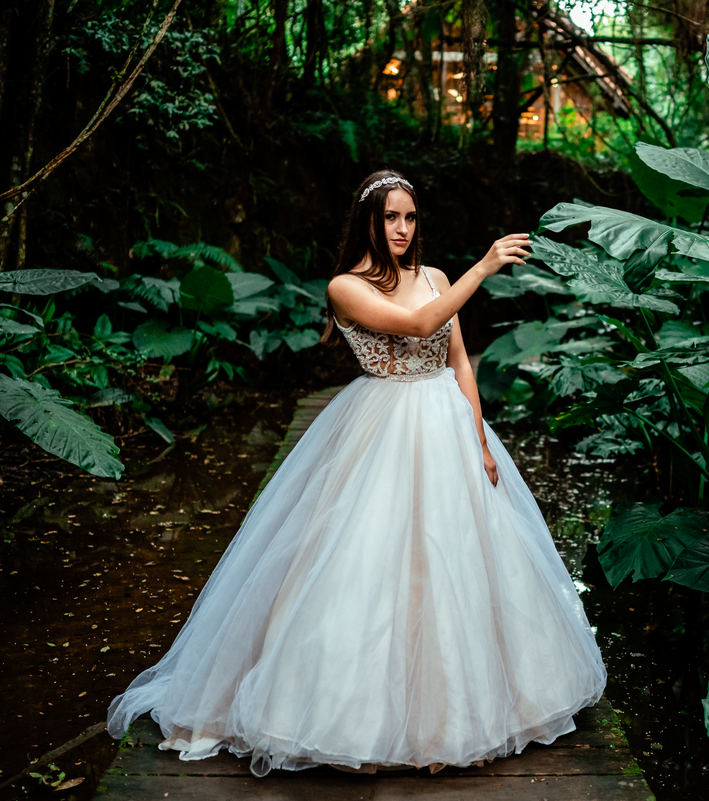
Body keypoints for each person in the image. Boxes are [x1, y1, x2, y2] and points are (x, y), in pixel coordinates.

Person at [106, 169, 607, 777]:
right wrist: (485, 265)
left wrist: (478, 436)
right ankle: (341, 712)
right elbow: (419, 326)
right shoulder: (346, 287)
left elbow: (456, 356)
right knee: (365, 555)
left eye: (411, 218)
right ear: (370, 220)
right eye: (391, 217)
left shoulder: (434, 278)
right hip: (381, 424)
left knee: (460, 555)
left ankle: (471, 704)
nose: (402, 229)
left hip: (446, 420)